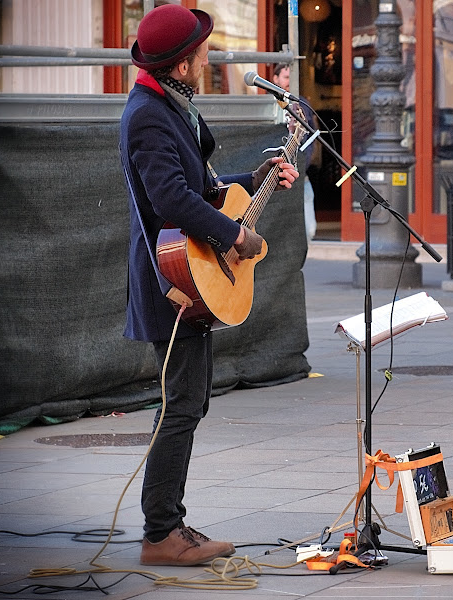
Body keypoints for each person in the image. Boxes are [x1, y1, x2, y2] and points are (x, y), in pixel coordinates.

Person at [119, 5, 298, 567]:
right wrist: (235, 239)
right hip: (173, 280)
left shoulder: (170, 104)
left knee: (187, 404)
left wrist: (259, 176)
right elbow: (171, 200)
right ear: (181, 61)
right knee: (180, 406)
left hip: (192, 275)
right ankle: (160, 534)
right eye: (200, 51)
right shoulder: (148, 114)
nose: (207, 57)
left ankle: (168, 524)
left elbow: (200, 186)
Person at [272, 63, 321, 242]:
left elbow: (312, 134)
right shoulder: (268, 104)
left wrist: (304, 161)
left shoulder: (302, 104)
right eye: (286, 78)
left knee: (310, 230)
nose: (289, 83)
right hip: (277, 178)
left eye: (292, 79)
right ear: (275, 79)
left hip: (302, 176)